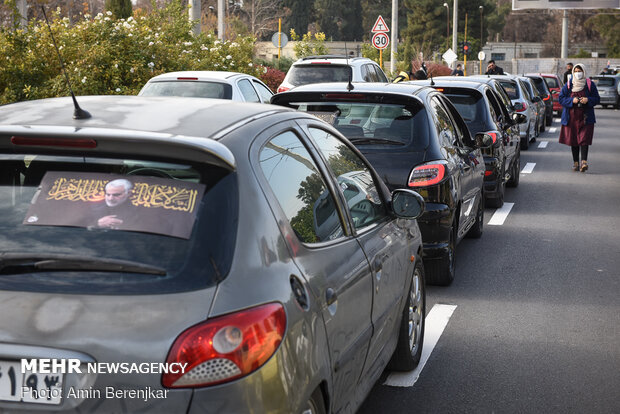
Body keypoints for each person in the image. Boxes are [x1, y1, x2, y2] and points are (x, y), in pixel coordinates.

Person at [558, 63, 600, 172]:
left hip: (586, 116)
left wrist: (588, 100)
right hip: (571, 117)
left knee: (584, 139)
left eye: (579, 71)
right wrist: (572, 100)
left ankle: (584, 162)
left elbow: (597, 99)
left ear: (584, 72)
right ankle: (575, 163)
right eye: (575, 71)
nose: (577, 73)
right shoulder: (568, 85)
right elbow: (561, 99)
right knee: (574, 140)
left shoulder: (590, 84)